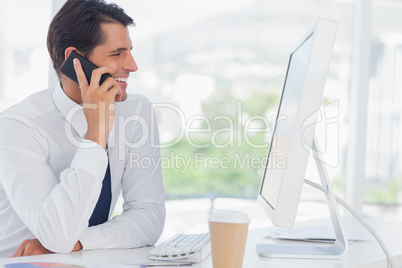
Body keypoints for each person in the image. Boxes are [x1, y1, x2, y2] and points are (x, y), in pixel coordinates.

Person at [0, 0, 165, 258]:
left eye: (130, 51)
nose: (132, 65)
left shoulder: (136, 112)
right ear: (74, 60)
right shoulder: (19, 126)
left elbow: (149, 216)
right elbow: (57, 234)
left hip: (86, 259)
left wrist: (79, 242)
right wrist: (96, 135)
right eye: (116, 54)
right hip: (19, 262)